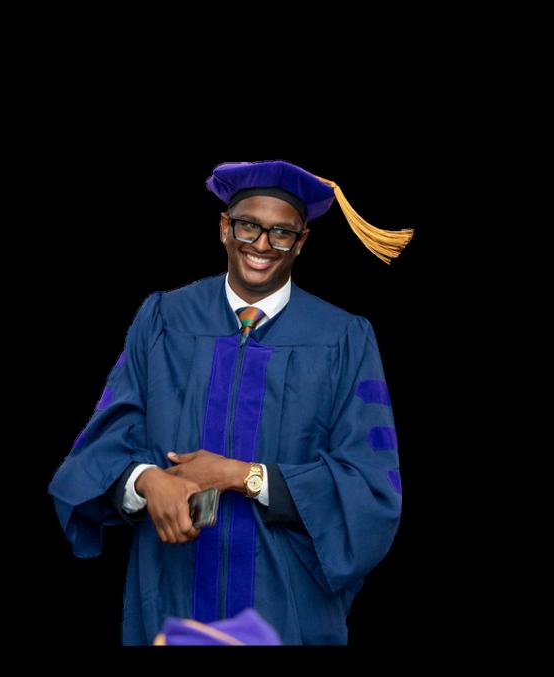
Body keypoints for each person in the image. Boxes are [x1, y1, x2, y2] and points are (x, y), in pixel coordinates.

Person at [48, 160, 413, 645]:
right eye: (248, 226)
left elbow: (370, 488)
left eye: (281, 232)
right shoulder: (164, 319)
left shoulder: (344, 339)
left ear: (301, 241)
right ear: (224, 227)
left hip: (285, 606)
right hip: (170, 596)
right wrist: (145, 480)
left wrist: (244, 476)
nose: (261, 244)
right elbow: (98, 448)